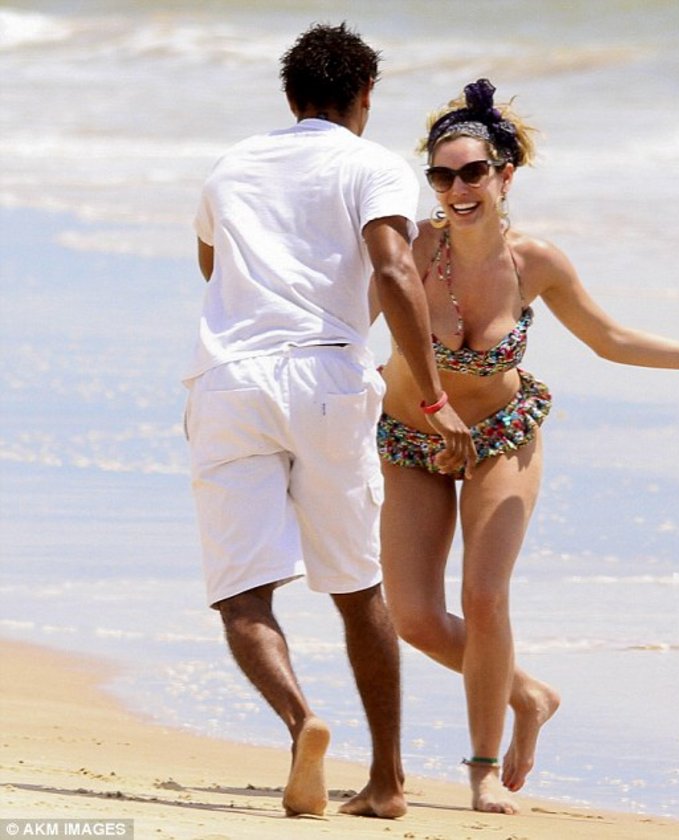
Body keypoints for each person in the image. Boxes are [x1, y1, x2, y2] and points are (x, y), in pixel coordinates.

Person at [373, 78, 679, 815]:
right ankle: (528, 694)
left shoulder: (534, 262)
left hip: (501, 435)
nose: (456, 189)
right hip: (411, 437)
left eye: (472, 173)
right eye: (441, 176)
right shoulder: (409, 247)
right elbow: (337, 315)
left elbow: (610, 339)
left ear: (505, 176)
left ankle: (481, 768)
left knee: (484, 596)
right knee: (412, 617)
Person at [182, 24, 476, 821]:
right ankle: (385, 781)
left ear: (290, 97)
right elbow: (393, 268)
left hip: (231, 380)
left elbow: (212, 267)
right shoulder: (372, 166)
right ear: (365, 97)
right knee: (357, 587)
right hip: (328, 378)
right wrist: (434, 395)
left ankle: (300, 721)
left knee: (242, 596)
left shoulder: (231, 165)